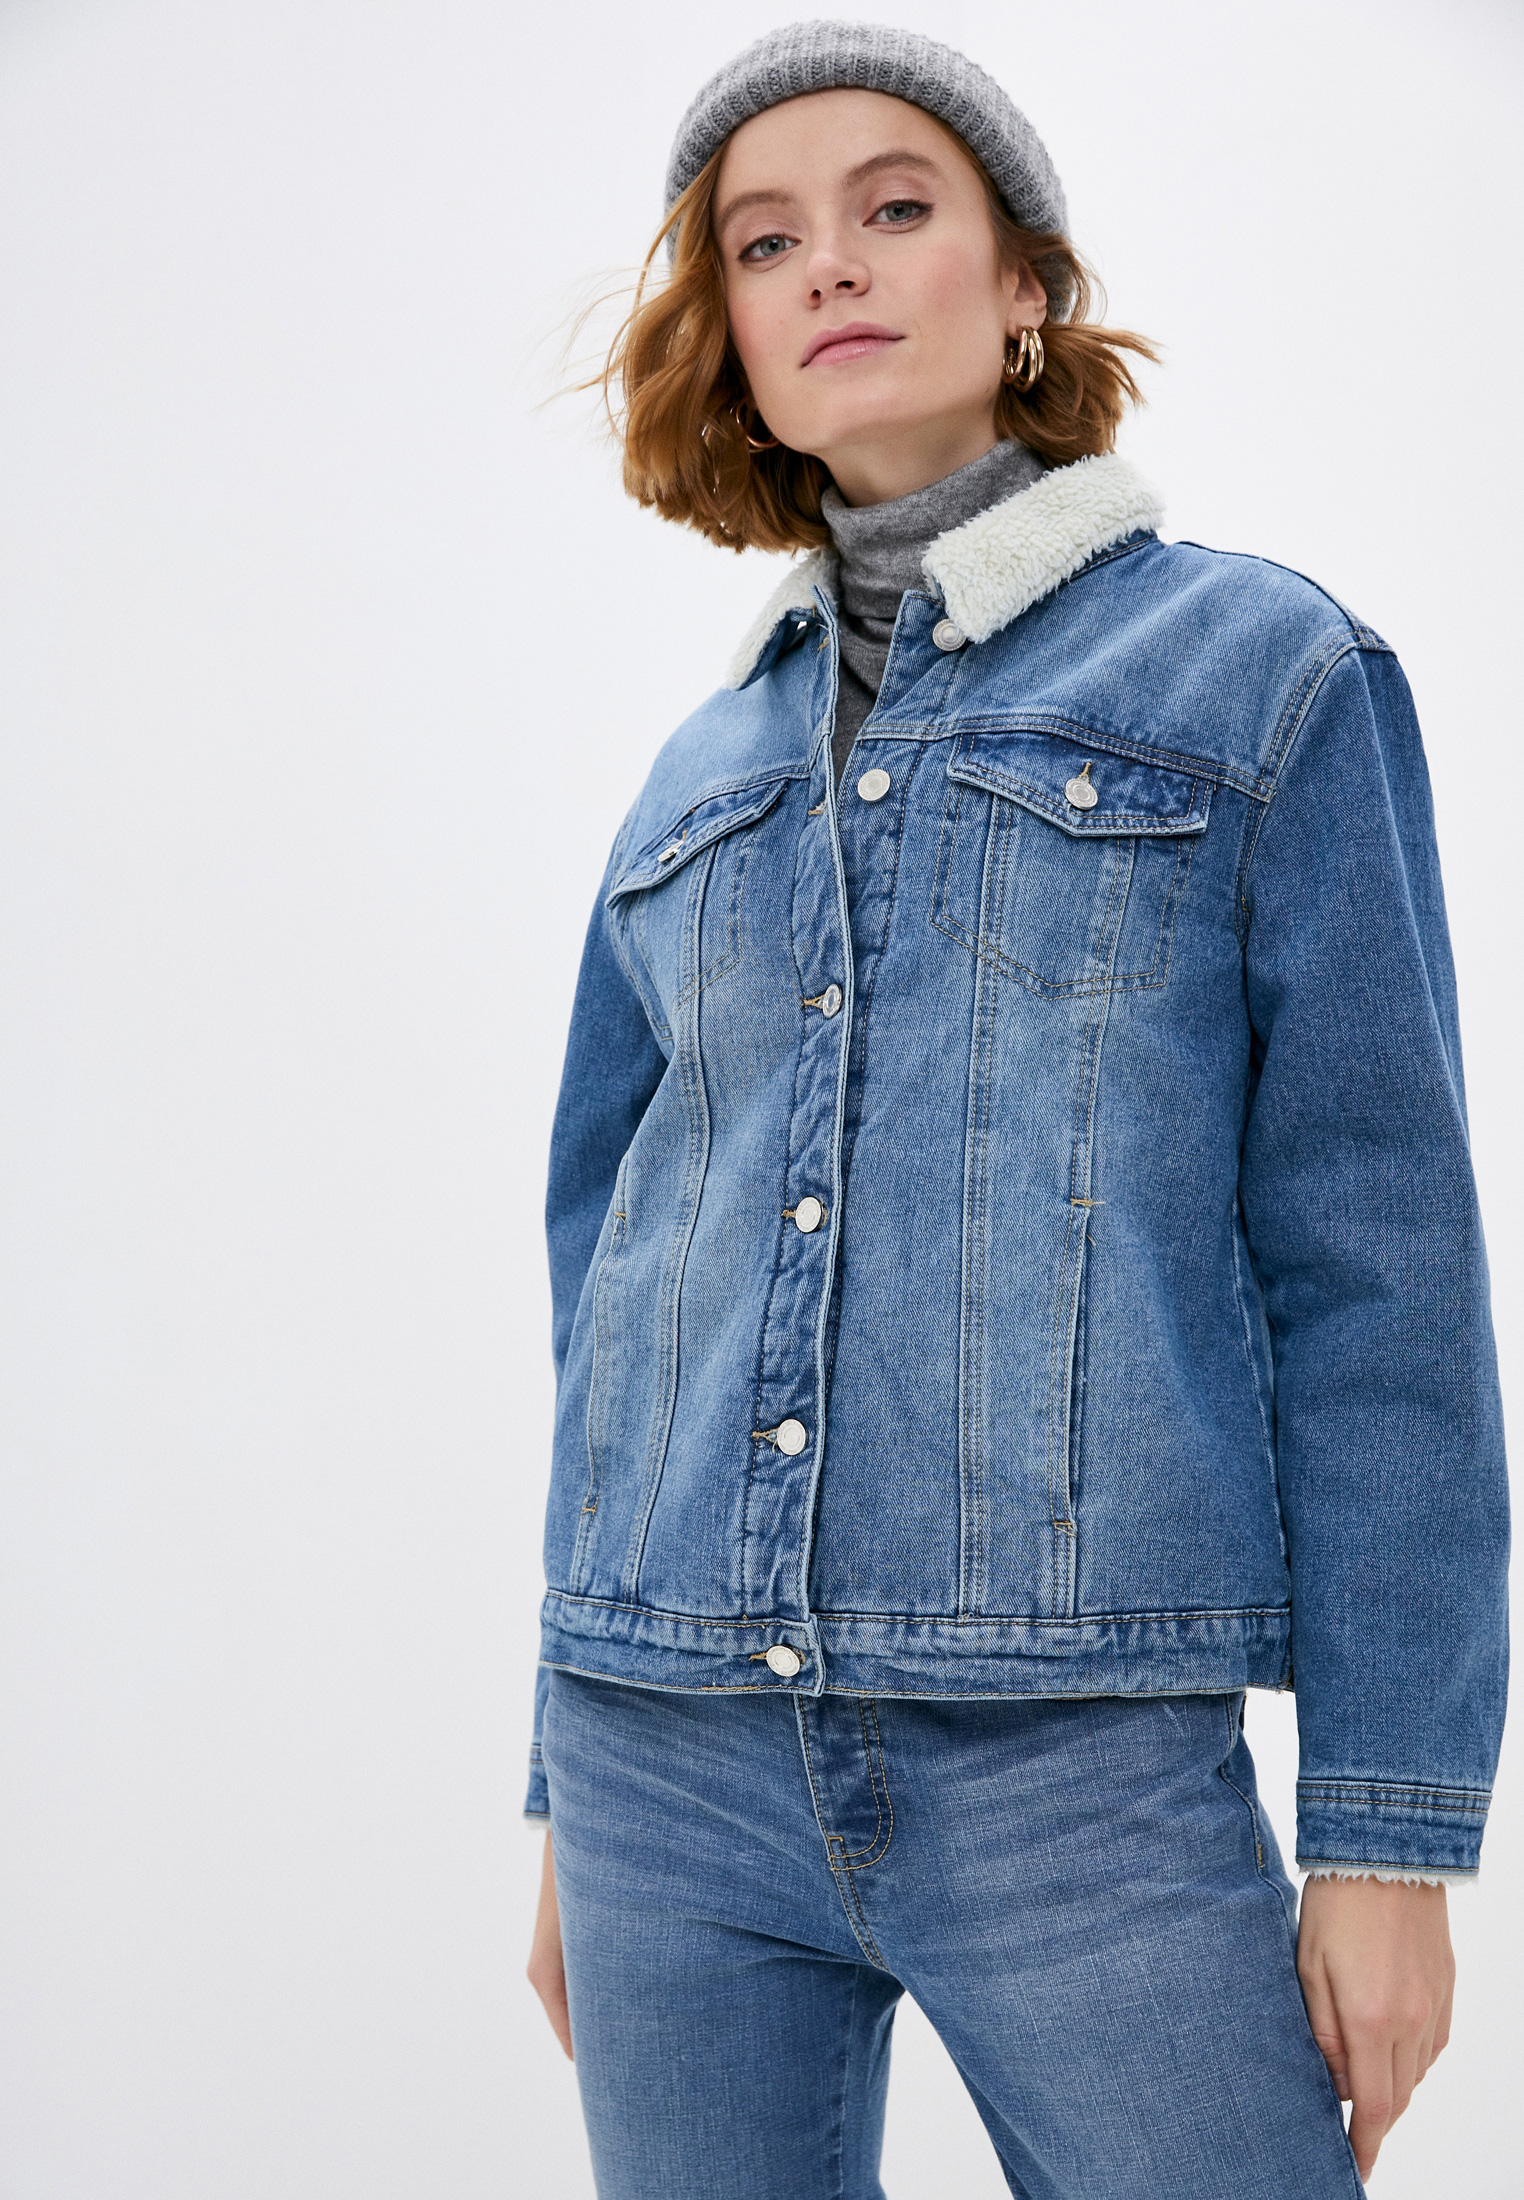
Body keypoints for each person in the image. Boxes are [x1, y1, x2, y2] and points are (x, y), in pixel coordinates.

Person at [522, 24, 1509, 2199]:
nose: (830, 264)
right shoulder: (697, 774)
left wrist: (1389, 1829)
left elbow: (1381, 1272)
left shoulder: (1263, 677)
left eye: (896, 208)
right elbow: (613, 1288)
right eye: (764, 243)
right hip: (662, 1753)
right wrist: (563, 1778)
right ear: (734, 339)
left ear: (1028, 286)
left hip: (1077, 1766)